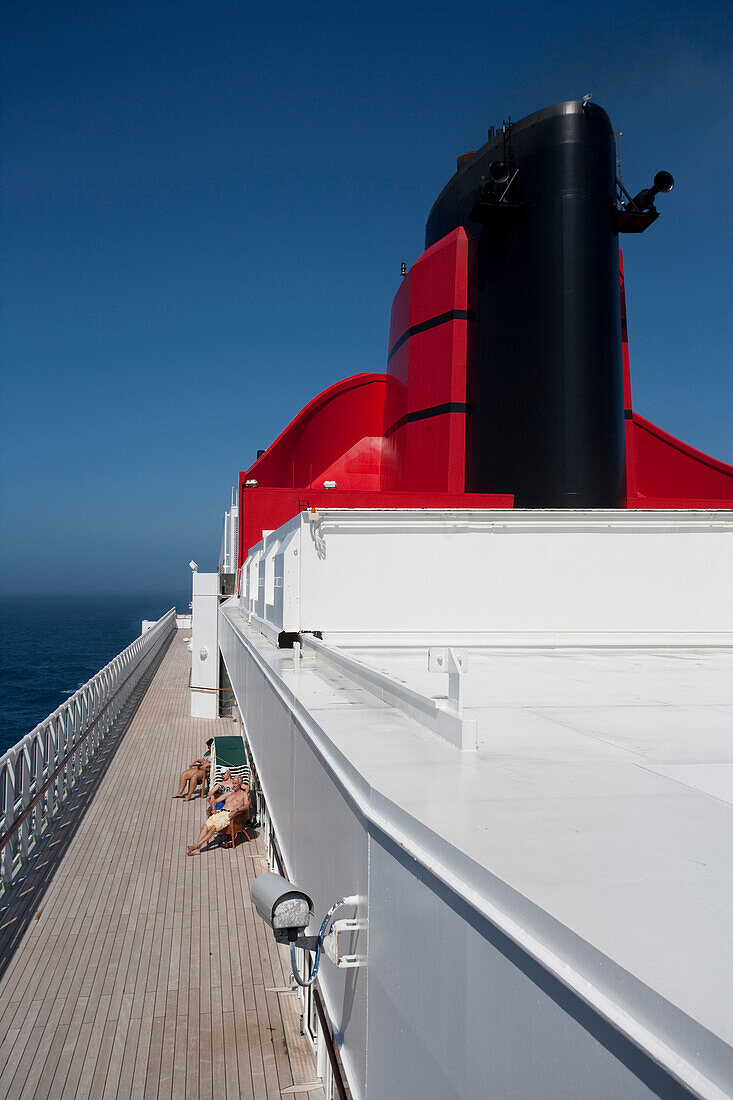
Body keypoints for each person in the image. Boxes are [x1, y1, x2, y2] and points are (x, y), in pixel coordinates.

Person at [187, 776, 250, 855]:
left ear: (240, 784)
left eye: (236, 784)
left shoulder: (243, 794)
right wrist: (213, 808)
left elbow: (246, 806)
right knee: (205, 826)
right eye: (233, 783)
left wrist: (236, 810)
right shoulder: (229, 793)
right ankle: (197, 849)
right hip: (220, 812)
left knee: (214, 827)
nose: (234, 785)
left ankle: (195, 846)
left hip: (229, 815)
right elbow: (215, 801)